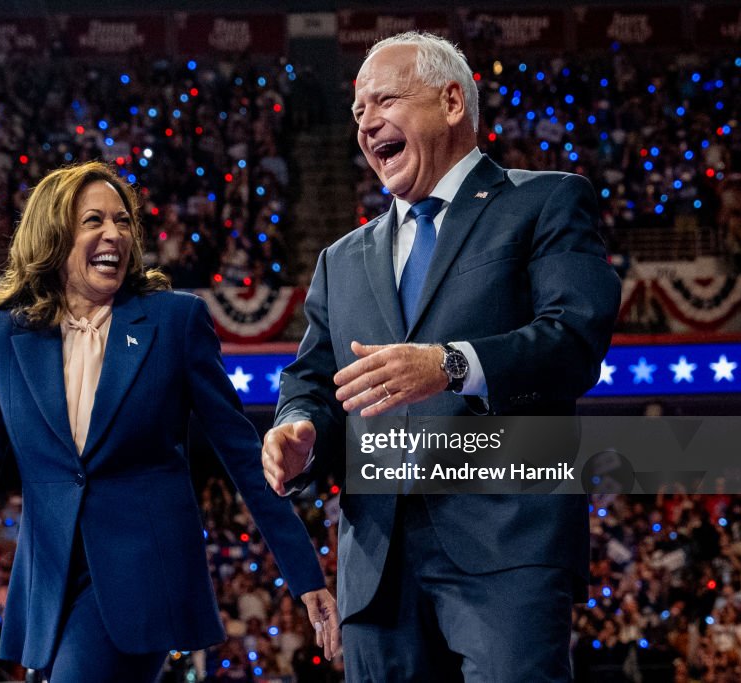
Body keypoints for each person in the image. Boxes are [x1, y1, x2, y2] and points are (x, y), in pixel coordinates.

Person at [262, 32, 621, 682]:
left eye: (384, 100)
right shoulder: (340, 260)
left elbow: (575, 339)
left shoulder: (544, 202)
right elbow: (312, 381)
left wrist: (451, 364)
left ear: (452, 101)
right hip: (377, 562)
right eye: (357, 112)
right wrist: (298, 431)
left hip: (507, 547)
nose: (366, 121)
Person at [0, 161, 339, 681]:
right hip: (49, 586)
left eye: (122, 221)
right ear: (53, 234)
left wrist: (305, 575)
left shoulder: (174, 321)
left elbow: (241, 453)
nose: (113, 234)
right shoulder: (1, 335)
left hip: (141, 577)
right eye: (93, 220)